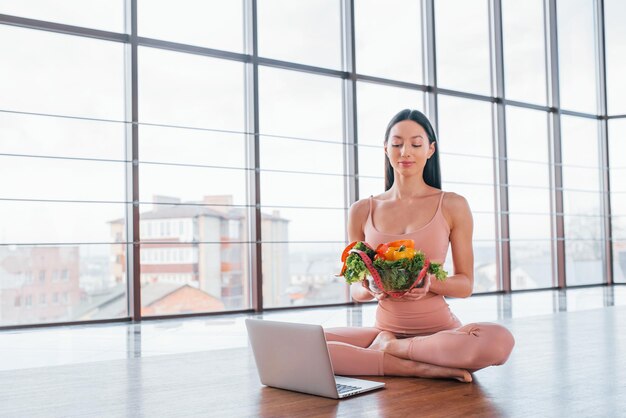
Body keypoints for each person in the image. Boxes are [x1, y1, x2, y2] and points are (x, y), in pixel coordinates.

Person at [325, 109, 514, 383]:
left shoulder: (452, 205)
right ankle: (414, 367)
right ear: (386, 149)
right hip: (383, 330)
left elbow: (465, 284)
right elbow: (355, 288)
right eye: (397, 143)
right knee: (301, 343)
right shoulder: (361, 210)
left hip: (439, 335)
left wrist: (428, 283)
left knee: (499, 341)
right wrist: (369, 286)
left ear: (430, 150)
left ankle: (392, 352)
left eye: (415, 144)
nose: (405, 152)